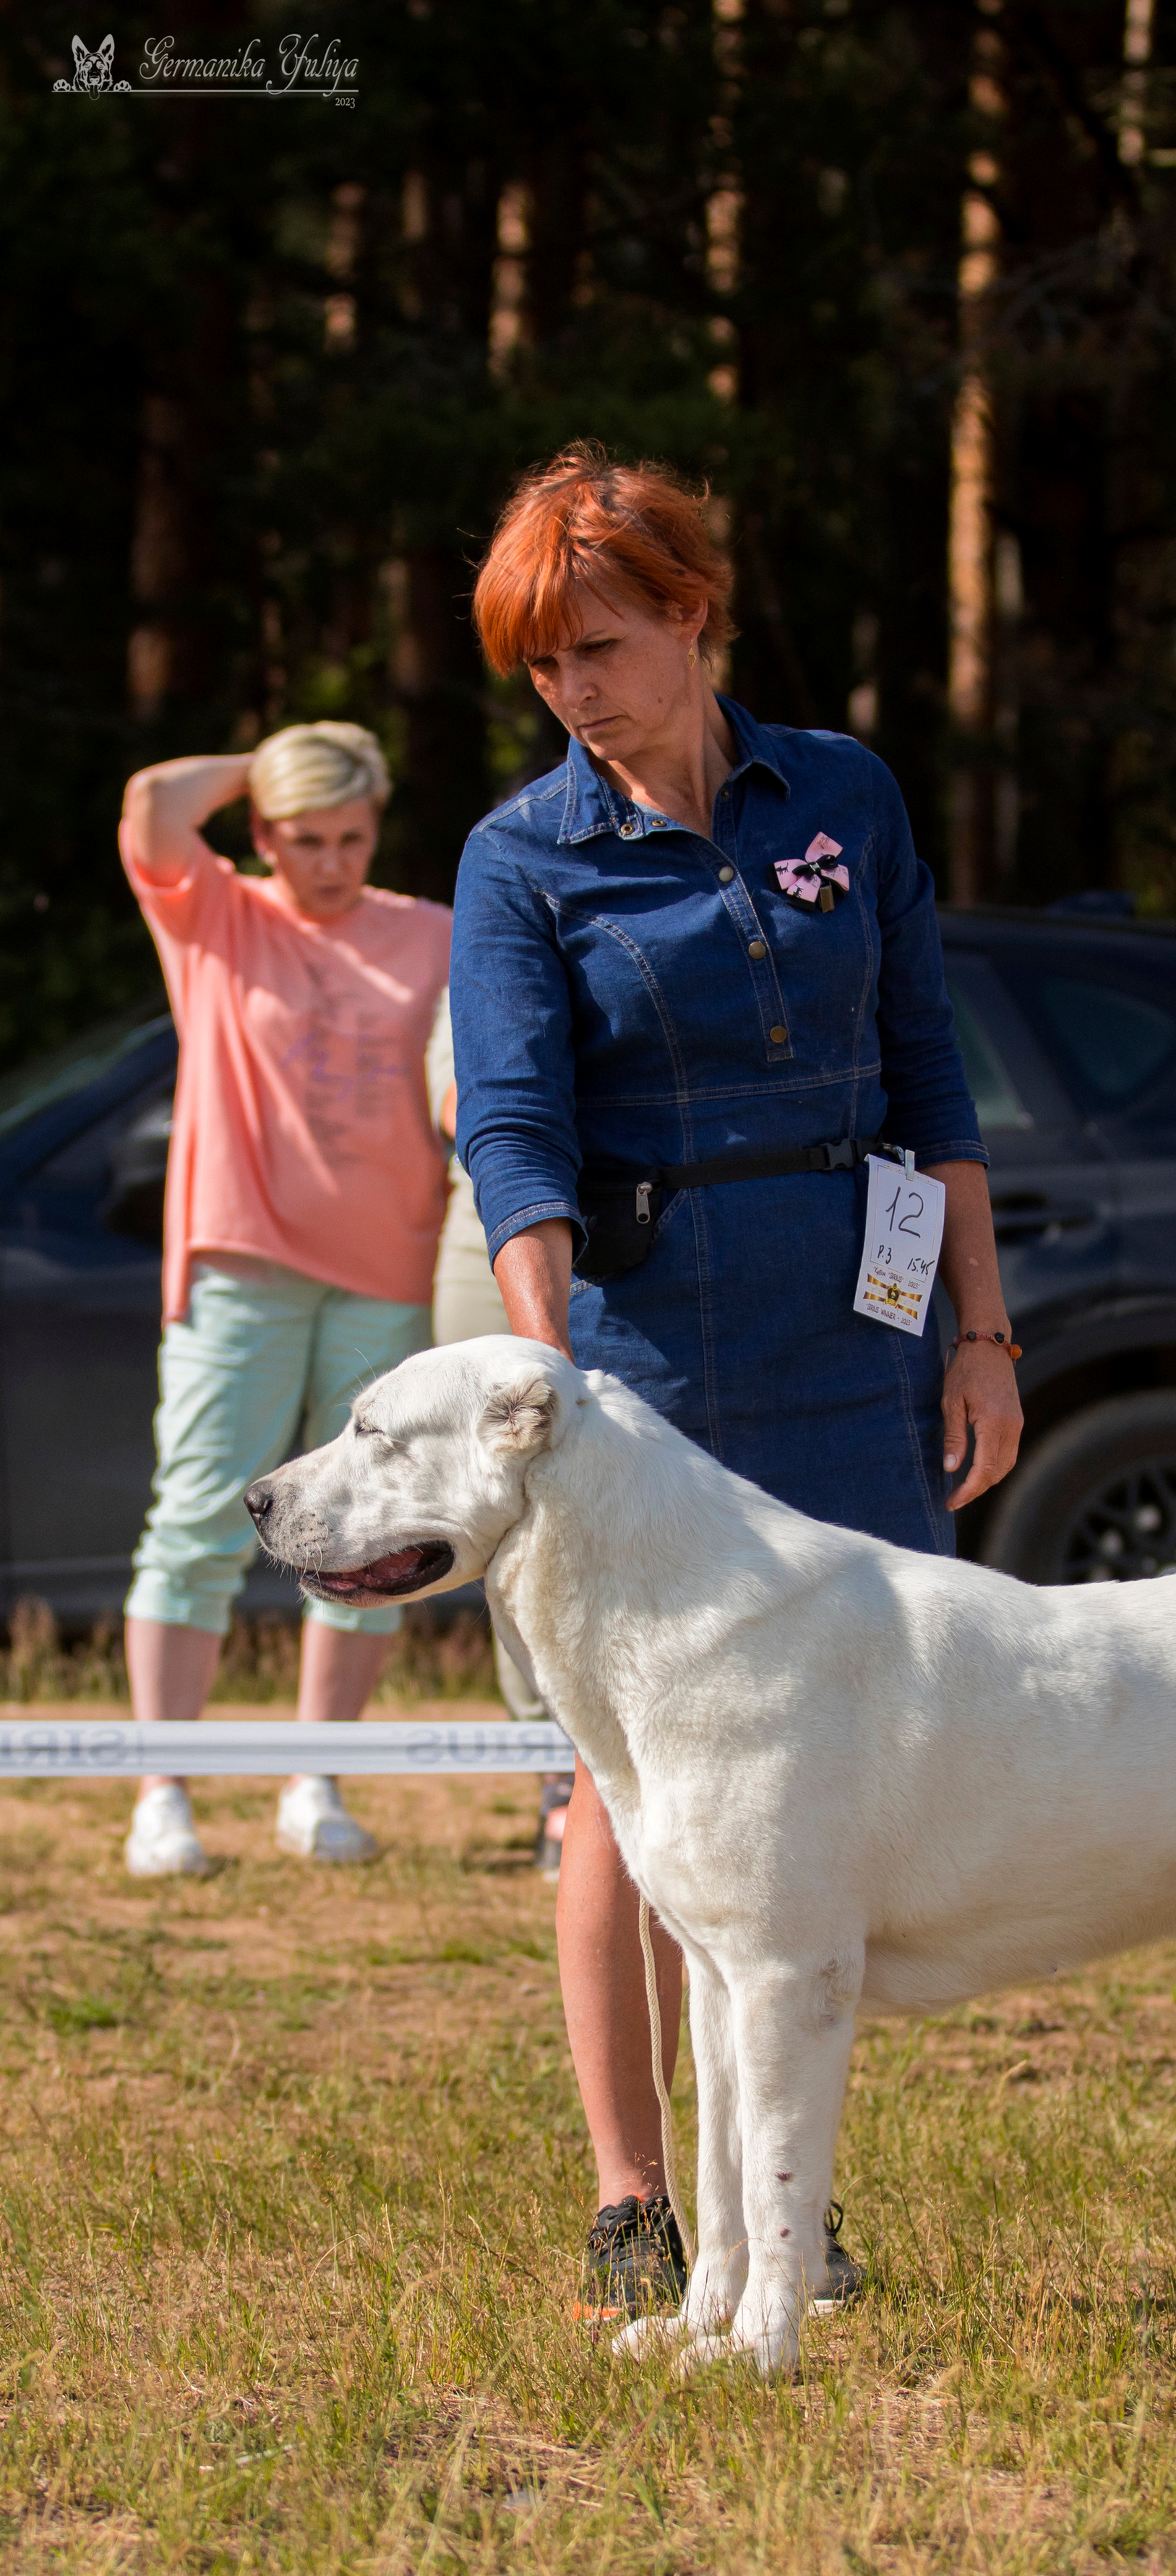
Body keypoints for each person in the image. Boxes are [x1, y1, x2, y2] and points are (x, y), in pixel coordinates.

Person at [451, 447, 1023, 2322]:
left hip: (853, 1342)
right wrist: (551, 1391)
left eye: (602, 646)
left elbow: (928, 1075)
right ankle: (637, 2201)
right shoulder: (519, 856)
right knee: (635, 1789)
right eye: (544, 667)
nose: (575, 690)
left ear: (697, 614)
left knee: (821, 1789)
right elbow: (519, 1138)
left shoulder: (842, 791)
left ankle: (789, 2205)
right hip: (645, 1360)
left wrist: (983, 1333)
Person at [117, 723, 451, 1878]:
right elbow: (156, 800)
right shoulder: (216, 914)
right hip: (242, 1257)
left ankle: (316, 1782)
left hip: (391, 1265)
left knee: (367, 1533)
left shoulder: (430, 933)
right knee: (198, 1519)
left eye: (353, 836)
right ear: (263, 835)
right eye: (305, 838)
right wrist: (273, 760)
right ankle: (162, 1795)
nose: (331, 861)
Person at [424, 986, 572, 1871]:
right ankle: (552, 1766)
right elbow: (459, 1106)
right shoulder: (499, 923)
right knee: (506, 1523)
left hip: (656, 1223)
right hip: (495, 1227)